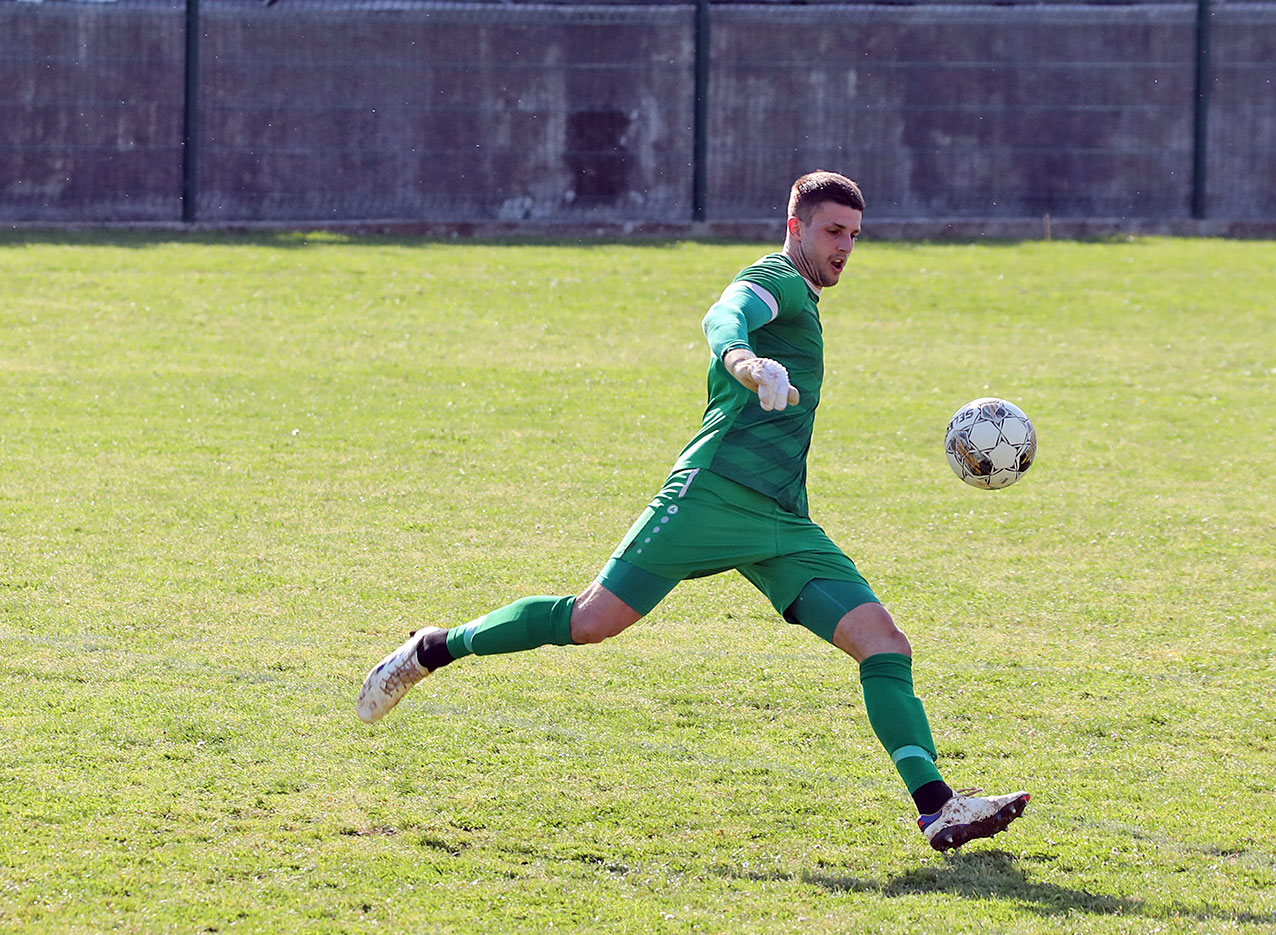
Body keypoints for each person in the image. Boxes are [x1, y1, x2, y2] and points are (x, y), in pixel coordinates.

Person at [357, 171, 1027, 852]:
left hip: (781, 519)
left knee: (883, 644)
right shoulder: (777, 278)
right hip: (710, 495)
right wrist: (745, 362)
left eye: (854, 235)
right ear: (795, 227)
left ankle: (938, 808)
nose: (845, 247)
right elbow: (724, 315)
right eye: (832, 231)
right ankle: (433, 648)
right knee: (589, 622)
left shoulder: (806, 296)